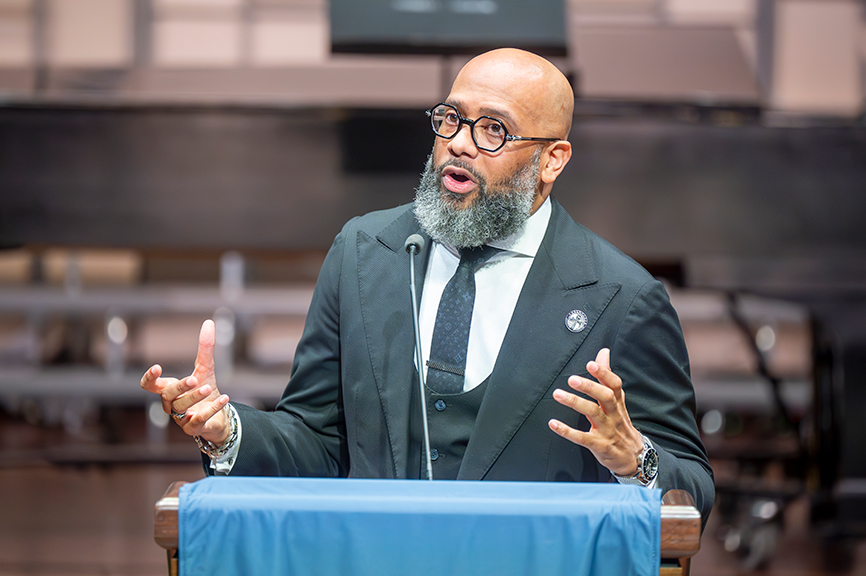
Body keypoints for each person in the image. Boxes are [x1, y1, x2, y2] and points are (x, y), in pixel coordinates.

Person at [141, 48, 714, 523]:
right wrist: (226, 430)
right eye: (451, 119)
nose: (460, 143)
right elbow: (317, 440)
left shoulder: (623, 298)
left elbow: (694, 491)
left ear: (551, 160)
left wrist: (634, 458)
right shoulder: (365, 253)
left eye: (494, 129)